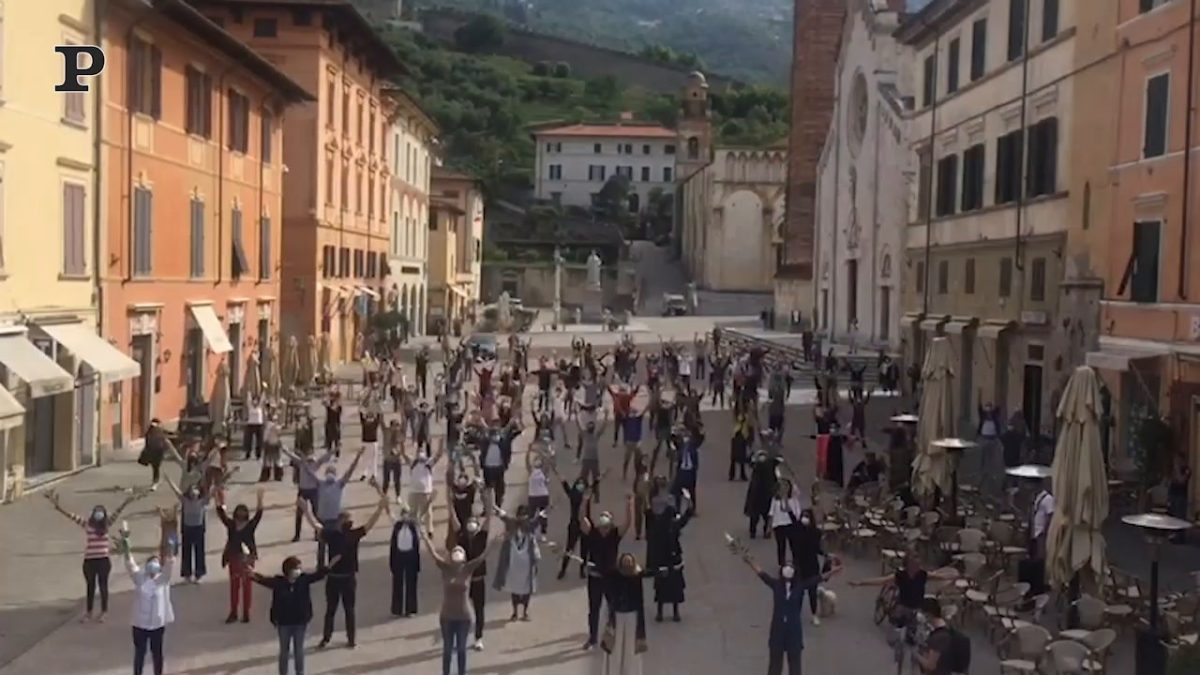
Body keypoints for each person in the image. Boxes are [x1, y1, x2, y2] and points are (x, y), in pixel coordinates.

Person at [44, 488, 145, 622]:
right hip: (89, 561)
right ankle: (89, 612)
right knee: (90, 587)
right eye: (96, 511)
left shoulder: (107, 525)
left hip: (103, 560)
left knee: (103, 587)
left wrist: (127, 501)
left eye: (100, 512)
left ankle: (104, 612)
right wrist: (58, 507)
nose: (98, 514)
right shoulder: (87, 525)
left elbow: (118, 511)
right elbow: (71, 516)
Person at [303, 493, 388, 648]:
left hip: (337, 578)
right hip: (345, 578)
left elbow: (315, 525)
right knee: (344, 610)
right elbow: (369, 525)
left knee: (335, 610)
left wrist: (306, 511)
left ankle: (330, 638)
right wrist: (379, 509)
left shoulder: (334, 535)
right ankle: (347, 639)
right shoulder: (350, 535)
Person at [419, 524, 499, 675]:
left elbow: (482, 556)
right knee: (448, 650)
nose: (457, 552)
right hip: (447, 617)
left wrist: (493, 542)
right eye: (455, 550)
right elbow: (433, 553)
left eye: (460, 551)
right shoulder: (445, 568)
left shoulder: (468, 569)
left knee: (461, 649)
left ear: (464, 556)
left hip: (464, 617)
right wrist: (425, 537)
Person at [736, 546, 816, 675]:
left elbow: (816, 579)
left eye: (790, 567)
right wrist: (750, 561)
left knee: (795, 664)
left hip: (794, 631)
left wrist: (832, 572)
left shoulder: (800, 587)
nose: (788, 569)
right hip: (778, 629)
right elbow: (761, 574)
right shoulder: (776, 585)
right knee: (775, 664)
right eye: (786, 566)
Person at [249, 555, 334, 675]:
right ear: (288, 570)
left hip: (300, 622)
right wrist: (252, 575)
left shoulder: (303, 580)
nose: (299, 570)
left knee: (299, 650)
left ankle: (300, 673)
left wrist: (329, 566)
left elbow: (318, 575)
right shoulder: (279, 583)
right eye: (297, 568)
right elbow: (264, 580)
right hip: (284, 623)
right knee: (284, 651)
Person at [580, 493, 636, 649]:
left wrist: (629, 505)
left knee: (613, 607)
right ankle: (593, 638)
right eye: (602, 524)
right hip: (595, 577)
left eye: (606, 524)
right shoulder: (593, 533)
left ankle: (612, 635)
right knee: (594, 609)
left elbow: (628, 523)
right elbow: (582, 519)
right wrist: (584, 501)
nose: (604, 528)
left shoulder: (614, 535)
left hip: (611, 578)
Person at [594, 552, 654, 675]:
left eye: (629, 562)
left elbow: (650, 573)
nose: (627, 564)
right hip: (617, 616)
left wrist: (664, 570)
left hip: (632, 615)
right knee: (615, 649)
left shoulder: (636, 575)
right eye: (625, 561)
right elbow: (601, 572)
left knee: (630, 649)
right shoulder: (614, 575)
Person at [125, 532, 176, 675]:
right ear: (147, 566)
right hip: (139, 624)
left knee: (157, 653)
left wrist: (170, 550)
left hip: (157, 625)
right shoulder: (139, 577)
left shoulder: (162, 579)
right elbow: (130, 564)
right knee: (140, 653)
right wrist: (126, 548)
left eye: (156, 562)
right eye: (151, 562)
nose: (153, 565)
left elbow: (169, 565)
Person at [216, 487, 265, 623]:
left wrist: (260, 499)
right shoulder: (231, 525)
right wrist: (218, 498)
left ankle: (246, 613)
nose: (241, 514)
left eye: (243, 512)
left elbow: (259, 515)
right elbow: (221, 514)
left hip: (247, 559)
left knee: (247, 586)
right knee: (234, 586)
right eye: (239, 512)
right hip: (234, 558)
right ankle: (234, 612)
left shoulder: (250, 526)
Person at [645, 489, 692, 622]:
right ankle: (665, 612)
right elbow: (684, 519)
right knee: (665, 586)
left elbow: (684, 519)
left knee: (670, 586)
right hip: (666, 558)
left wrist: (688, 506)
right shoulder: (665, 525)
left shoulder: (666, 525)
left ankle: (669, 612)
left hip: (670, 557)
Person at [313, 449, 364, 567]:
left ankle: (333, 565)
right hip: (321, 519)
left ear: (335, 474)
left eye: (332, 472)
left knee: (333, 544)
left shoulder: (339, 484)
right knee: (321, 546)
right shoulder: (320, 484)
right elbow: (309, 472)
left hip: (334, 520)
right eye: (328, 472)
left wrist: (357, 457)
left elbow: (350, 472)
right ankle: (320, 567)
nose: (330, 474)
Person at [493, 505, 541, 621]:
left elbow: (538, 519)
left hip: (527, 564)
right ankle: (515, 613)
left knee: (527, 589)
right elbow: (503, 516)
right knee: (514, 588)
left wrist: (545, 512)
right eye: (520, 515)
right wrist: (495, 509)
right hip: (513, 563)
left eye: (524, 515)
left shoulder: (530, 526)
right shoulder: (512, 524)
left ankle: (525, 612)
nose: (522, 518)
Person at [164, 475, 209, 583]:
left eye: (196, 489)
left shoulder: (203, 501)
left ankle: (199, 574)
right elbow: (176, 491)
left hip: (198, 529)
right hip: (187, 528)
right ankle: (187, 574)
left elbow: (213, 490)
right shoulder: (185, 500)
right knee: (186, 551)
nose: (194, 492)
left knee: (199, 551)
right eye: (192, 489)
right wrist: (169, 480)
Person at [283, 445, 333, 543]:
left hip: (313, 490)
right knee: (300, 513)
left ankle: (317, 533)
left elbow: (325, 457)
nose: (310, 459)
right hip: (304, 490)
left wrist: (334, 450)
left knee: (316, 513)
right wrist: (285, 450)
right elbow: (291, 455)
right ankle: (297, 535)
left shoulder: (314, 463)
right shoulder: (302, 462)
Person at [914, 597, 971, 675]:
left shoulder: (938, 638)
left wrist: (915, 654)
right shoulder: (946, 627)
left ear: (928, 614)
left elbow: (930, 666)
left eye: (921, 613)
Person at [791, 509, 826, 625]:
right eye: (803, 516)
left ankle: (814, 614)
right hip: (799, 565)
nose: (804, 519)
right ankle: (796, 615)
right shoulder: (797, 531)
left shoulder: (816, 533)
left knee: (812, 592)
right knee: (799, 592)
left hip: (812, 565)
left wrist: (826, 554)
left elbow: (817, 548)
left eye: (807, 516)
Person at [745, 450, 780, 538]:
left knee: (756, 515)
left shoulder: (757, 466)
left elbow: (750, 462)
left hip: (757, 494)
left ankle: (754, 531)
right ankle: (763, 531)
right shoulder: (770, 465)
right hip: (765, 493)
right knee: (765, 514)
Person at [769, 479, 804, 567]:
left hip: (790, 524)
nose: (784, 489)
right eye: (782, 487)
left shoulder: (793, 499)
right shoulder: (775, 500)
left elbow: (795, 513)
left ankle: (796, 562)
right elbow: (771, 513)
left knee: (794, 545)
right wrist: (769, 527)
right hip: (778, 525)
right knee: (781, 545)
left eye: (786, 486)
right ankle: (782, 564)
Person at [360, 406, 383, 482]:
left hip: (372, 442)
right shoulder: (366, 422)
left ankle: (373, 474)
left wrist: (378, 408)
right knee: (366, 459)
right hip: (367, 442)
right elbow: (360, 413)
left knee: (372, 459)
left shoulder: (372, 422)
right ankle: (366, 473)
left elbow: (379, 415)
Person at [245, 395, 266, 460]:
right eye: (254, 400)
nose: (255, 401)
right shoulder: (250, 407)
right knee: (249, 440)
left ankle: (258, 454)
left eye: (256, 400)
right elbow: (248, 399)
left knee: (259, 441)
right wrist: (249, 392)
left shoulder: (260, 407)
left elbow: (262, 399)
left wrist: (263, 392)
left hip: (259, 425)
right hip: (250, 425)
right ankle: (248, 454)